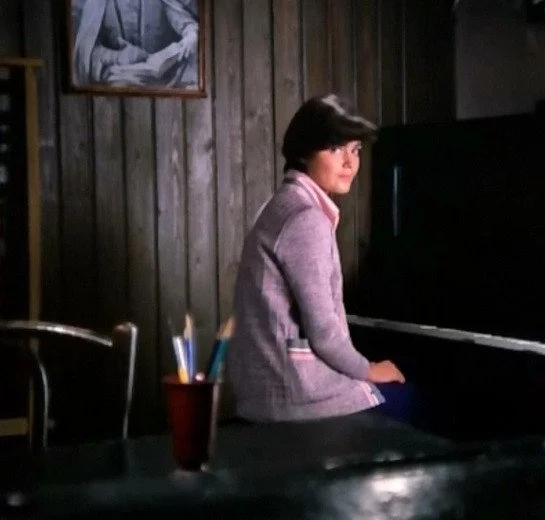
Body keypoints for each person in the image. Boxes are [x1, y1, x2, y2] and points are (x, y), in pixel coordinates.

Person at [227, 93, 405, 422]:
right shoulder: (305, 218)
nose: (350, 163)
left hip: (268, 387)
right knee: (420, 403)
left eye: (355, 150)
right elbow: (324, 334)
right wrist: (369, 369)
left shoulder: (283, 203)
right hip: (294, 394)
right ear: (303, 151)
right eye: (336, 149)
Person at [72, 0, 198, 87]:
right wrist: (119, 57)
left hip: (164, 75)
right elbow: (87, 51)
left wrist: (191, 35)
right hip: (119, 74)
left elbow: (187, 25)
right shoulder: (98, 3)